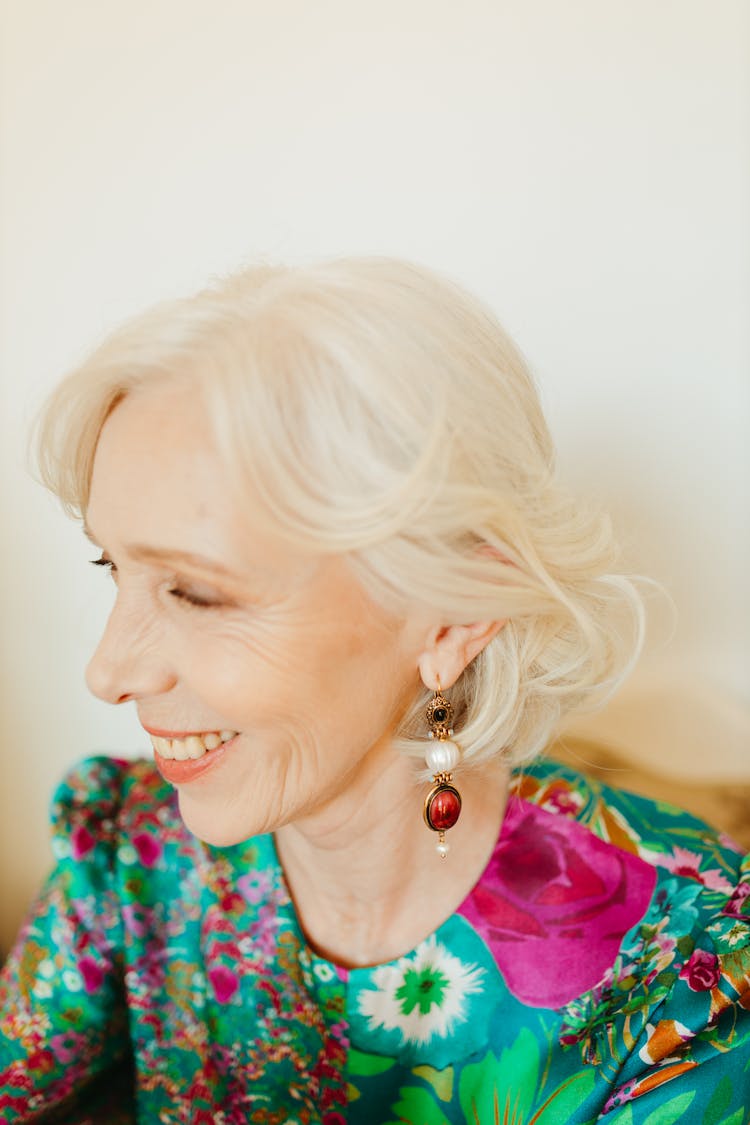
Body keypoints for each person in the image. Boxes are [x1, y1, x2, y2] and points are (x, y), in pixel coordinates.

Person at [0, 258, 747, 1124]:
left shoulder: (686, 984)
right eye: (112, 567)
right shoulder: (131, 858)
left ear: (452, 616)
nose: (108, 670)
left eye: (195, 591)